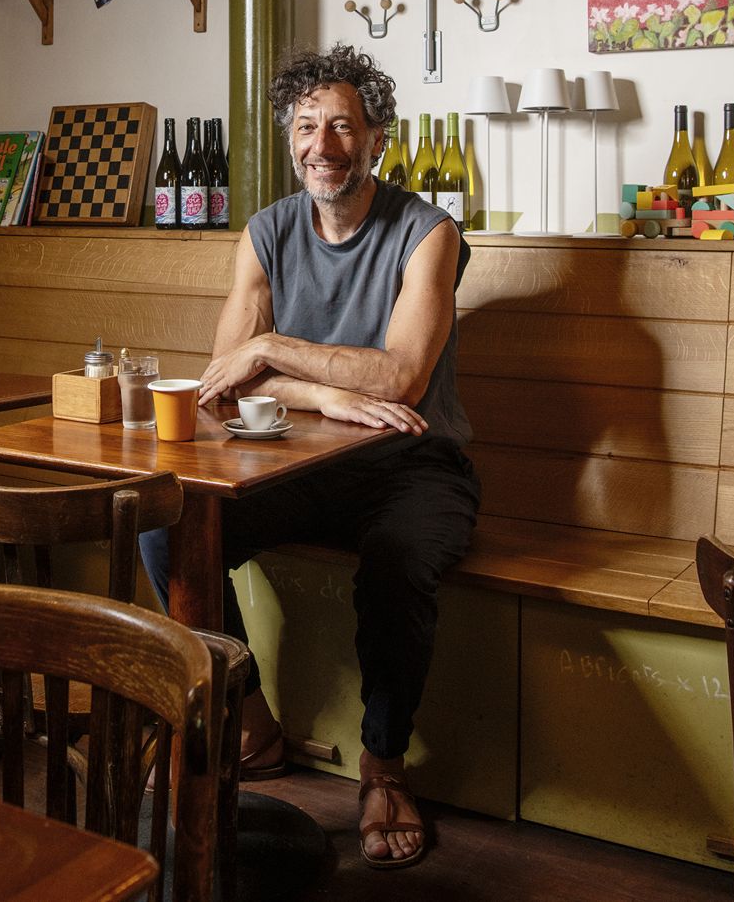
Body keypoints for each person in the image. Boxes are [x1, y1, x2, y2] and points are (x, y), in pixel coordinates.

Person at [139, 44, 480, 869]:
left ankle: (384, 766)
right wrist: (323, 396)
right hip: (293, 458)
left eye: (341, 127)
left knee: (397, 562)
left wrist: (272, 349)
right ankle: (248, 718)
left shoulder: (428, 233)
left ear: (376, 140)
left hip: (413, 464)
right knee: (164, 529)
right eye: (304, 127)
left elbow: (400, 377)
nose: (321, 145)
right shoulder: (266, 232)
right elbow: (221, 382)